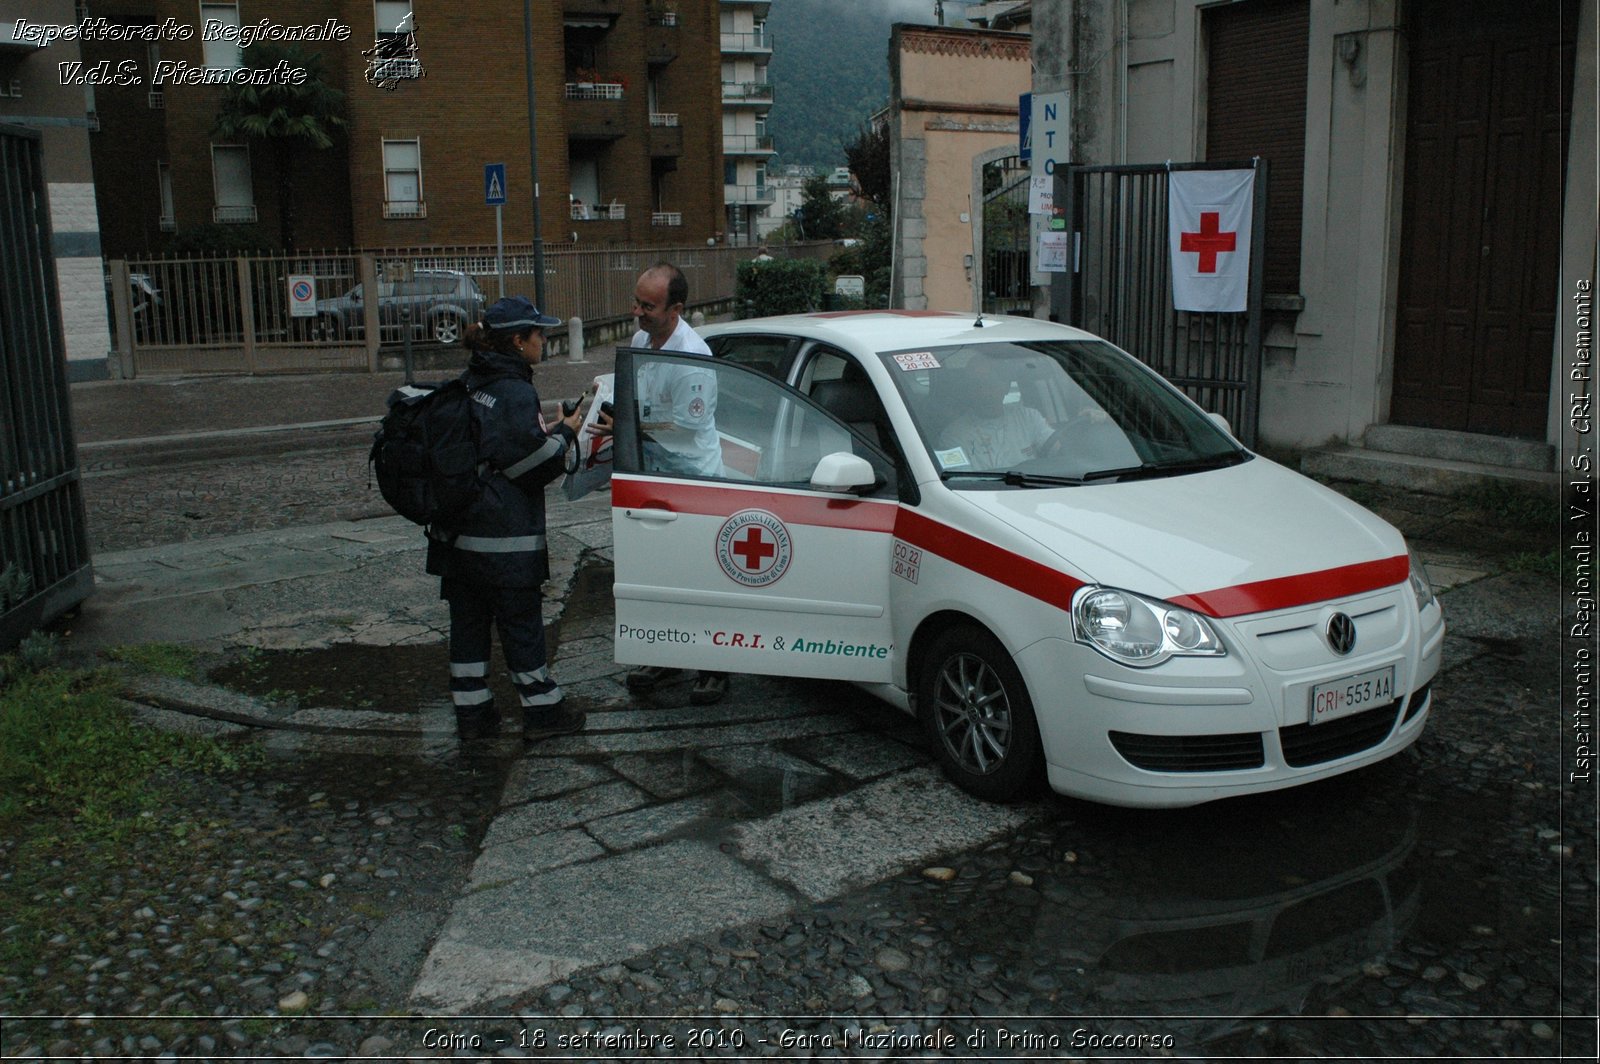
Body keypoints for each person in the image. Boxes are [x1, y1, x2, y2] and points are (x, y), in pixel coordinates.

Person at [427, 295, 588, 742]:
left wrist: (550, 433)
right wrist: (567, 435)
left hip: (459, 539)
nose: (544, 341)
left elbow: (499, 449)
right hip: (504, 542)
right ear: (518, 341)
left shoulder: (470, 380)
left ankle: (473, 714)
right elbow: (531, 465)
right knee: (521, 627)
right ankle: (544, 714)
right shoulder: (515, 390)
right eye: (538, 334)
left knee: (469, 628)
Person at [593, 262, 730, 705]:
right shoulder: (640, 340)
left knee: (699, 577)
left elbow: (685, 429)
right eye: (636, 301)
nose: (637, 311)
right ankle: (665, 653)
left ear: (676, 309)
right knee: (657, 571)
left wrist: (631, 425)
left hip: (693, 481)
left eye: (647, 306)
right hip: (651, 473)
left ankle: (715, 667)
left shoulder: (692, 357)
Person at [935, 359, 1054, 470]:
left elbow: (1056, 450)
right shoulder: (953, 436)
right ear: (969, 390)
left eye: (991, 383)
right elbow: (960, 481)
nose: (985, 393)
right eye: (978, 385)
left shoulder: (1028, 417)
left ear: (1006, 386)